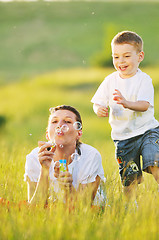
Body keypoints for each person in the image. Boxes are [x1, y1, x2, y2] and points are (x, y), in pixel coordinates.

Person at [91, 31, 159, 199]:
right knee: (130, 178)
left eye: (126, 56)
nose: (121, 61)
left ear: (140, 56)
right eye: (116, 57)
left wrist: (126, 103)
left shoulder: (144, 80)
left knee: (154, 162)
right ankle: (130, 208)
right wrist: (98, 108)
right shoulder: (110, 81)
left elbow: (144, 105)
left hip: (147, 131)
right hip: (123, 138)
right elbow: (97, 101)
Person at [24, 105, 106, 207]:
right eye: (54, 122)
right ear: (47, 134)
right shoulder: (34, 157)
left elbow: (83, 209)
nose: (60, 125)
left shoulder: (90, 155)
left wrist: (69, 188)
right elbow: (35, 209)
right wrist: (44, 169)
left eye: (67, 121)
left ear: (78, 133)